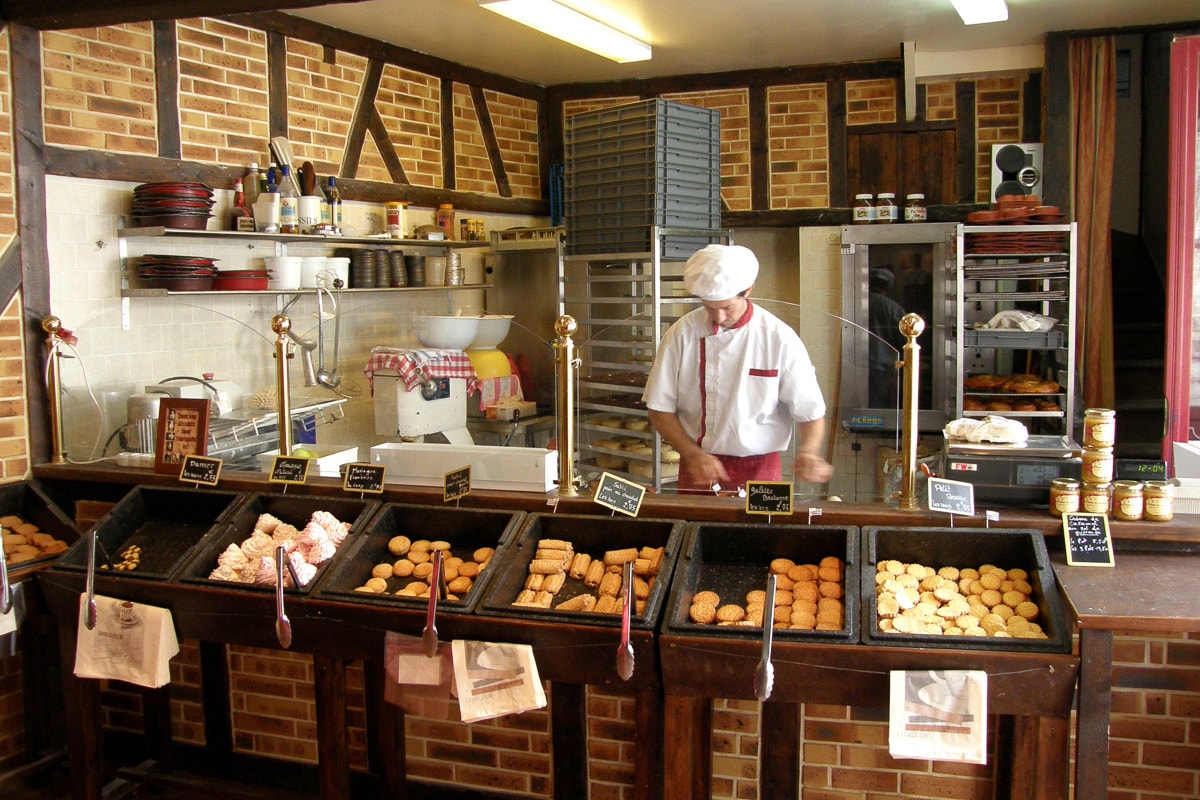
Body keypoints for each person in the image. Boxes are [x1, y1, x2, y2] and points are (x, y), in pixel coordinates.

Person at [642, 244, 833, 491]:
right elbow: (658, 407)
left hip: (760, 468)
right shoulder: (681, 333)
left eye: (727, 307)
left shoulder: (778, 337)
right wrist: (690, 453)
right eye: (710, 308)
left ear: (749, 290)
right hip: (698, 464)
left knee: (759, 531)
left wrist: (809, 452)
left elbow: (811, 411)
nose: (719, 318)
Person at [867, 267, 907, 408]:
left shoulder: (859, 304)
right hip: (883, 368)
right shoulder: (893, 308)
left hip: (857, 364)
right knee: (881, 406)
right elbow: (905, 339)